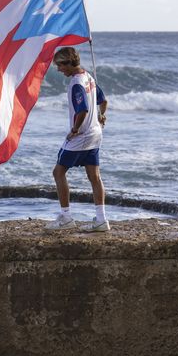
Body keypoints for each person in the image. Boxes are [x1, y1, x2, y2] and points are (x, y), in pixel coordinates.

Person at [46, 47, 110, 232]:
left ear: (68, 63)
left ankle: (66, 217)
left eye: (60, 65)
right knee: (94, 176)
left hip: (81, 136)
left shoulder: (76, 83)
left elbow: (82, 110)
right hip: (96, 134)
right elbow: (103, 101)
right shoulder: (88, 77)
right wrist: (101, 116)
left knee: (58, 172)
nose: (59, 69)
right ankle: (101, 220)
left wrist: (74, 130)